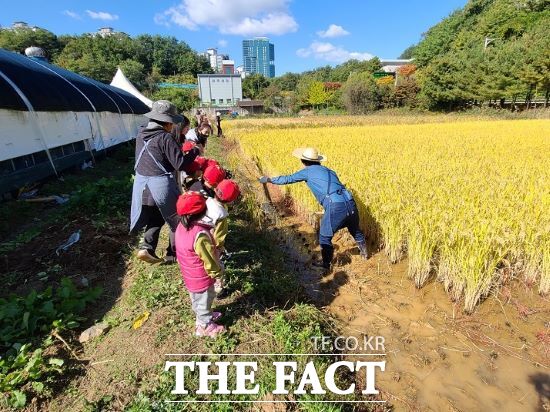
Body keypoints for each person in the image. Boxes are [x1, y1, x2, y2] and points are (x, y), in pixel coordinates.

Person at [259, 147, 368, 271]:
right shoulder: (330, 171)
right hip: (350, 202)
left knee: (324, 237)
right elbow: (335, 188)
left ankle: (326, 265)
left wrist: (268, 179)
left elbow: (287, 179)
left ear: (303, 161)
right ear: (318, 160)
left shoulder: (307, 171)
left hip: (336, 206)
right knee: (355, 230)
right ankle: (365, 255)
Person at [130, 100, 200, 264]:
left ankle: (146, 247)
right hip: (160, 186)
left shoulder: (140, 134)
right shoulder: (165, 137)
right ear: (167, 122)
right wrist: (194, 152)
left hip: (142, 186)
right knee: (177, 220)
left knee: (156, 217)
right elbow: (180, 163)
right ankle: (173, 254)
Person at [175, 191, 225, 337]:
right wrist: (218, 272)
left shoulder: (182, 226)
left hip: (190, 274)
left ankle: (204, 316)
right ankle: (204, 326)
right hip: (201, 277)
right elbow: (209, 259)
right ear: (203, 212)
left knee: (198, 300)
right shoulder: (200, 235)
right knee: (204, 299)